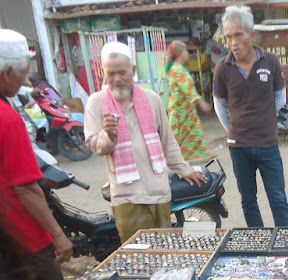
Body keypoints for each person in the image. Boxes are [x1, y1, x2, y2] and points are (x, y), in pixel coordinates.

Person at [84, 41, 207, 243]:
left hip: (158, 191)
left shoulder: (151, 99)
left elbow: (168, 141)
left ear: (133, 70)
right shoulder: (96, 103)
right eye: (110, 73)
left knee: (164, 252)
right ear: (102, 73)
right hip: (126, 196)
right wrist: (109, 136)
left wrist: (184, 169)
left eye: (122, 72)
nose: (116, 79)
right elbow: (95, 145)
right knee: (137, 255)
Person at [0, 29, 72, 280]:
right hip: (21, 239)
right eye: (23, 73)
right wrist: (58, 234)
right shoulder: (6, 118)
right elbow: (26, 188)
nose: (24, 82)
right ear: (8, 72)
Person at [212, 5, 288, 227]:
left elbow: (280, 100)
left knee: (278, 198)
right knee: (248, 201)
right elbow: (219, 105)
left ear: (252, 34)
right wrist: (235, 128)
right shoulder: (222, 68)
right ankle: (259, 247)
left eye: (238, 35)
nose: (233, 42)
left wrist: (263, 120)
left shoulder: (271, 62)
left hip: (268, 143)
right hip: (239, 147)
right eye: (228, 37)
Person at [165, 40, 214, 163]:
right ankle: (172, 157)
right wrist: (202, 102)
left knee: (192, 131)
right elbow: (188, 89)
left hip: (186, 108)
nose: (188, 53)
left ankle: (199, 154)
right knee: (179, 134)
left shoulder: (179, 68)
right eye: (186, 50)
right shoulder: (177, 69)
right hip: (180, 109)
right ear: (180, 53)